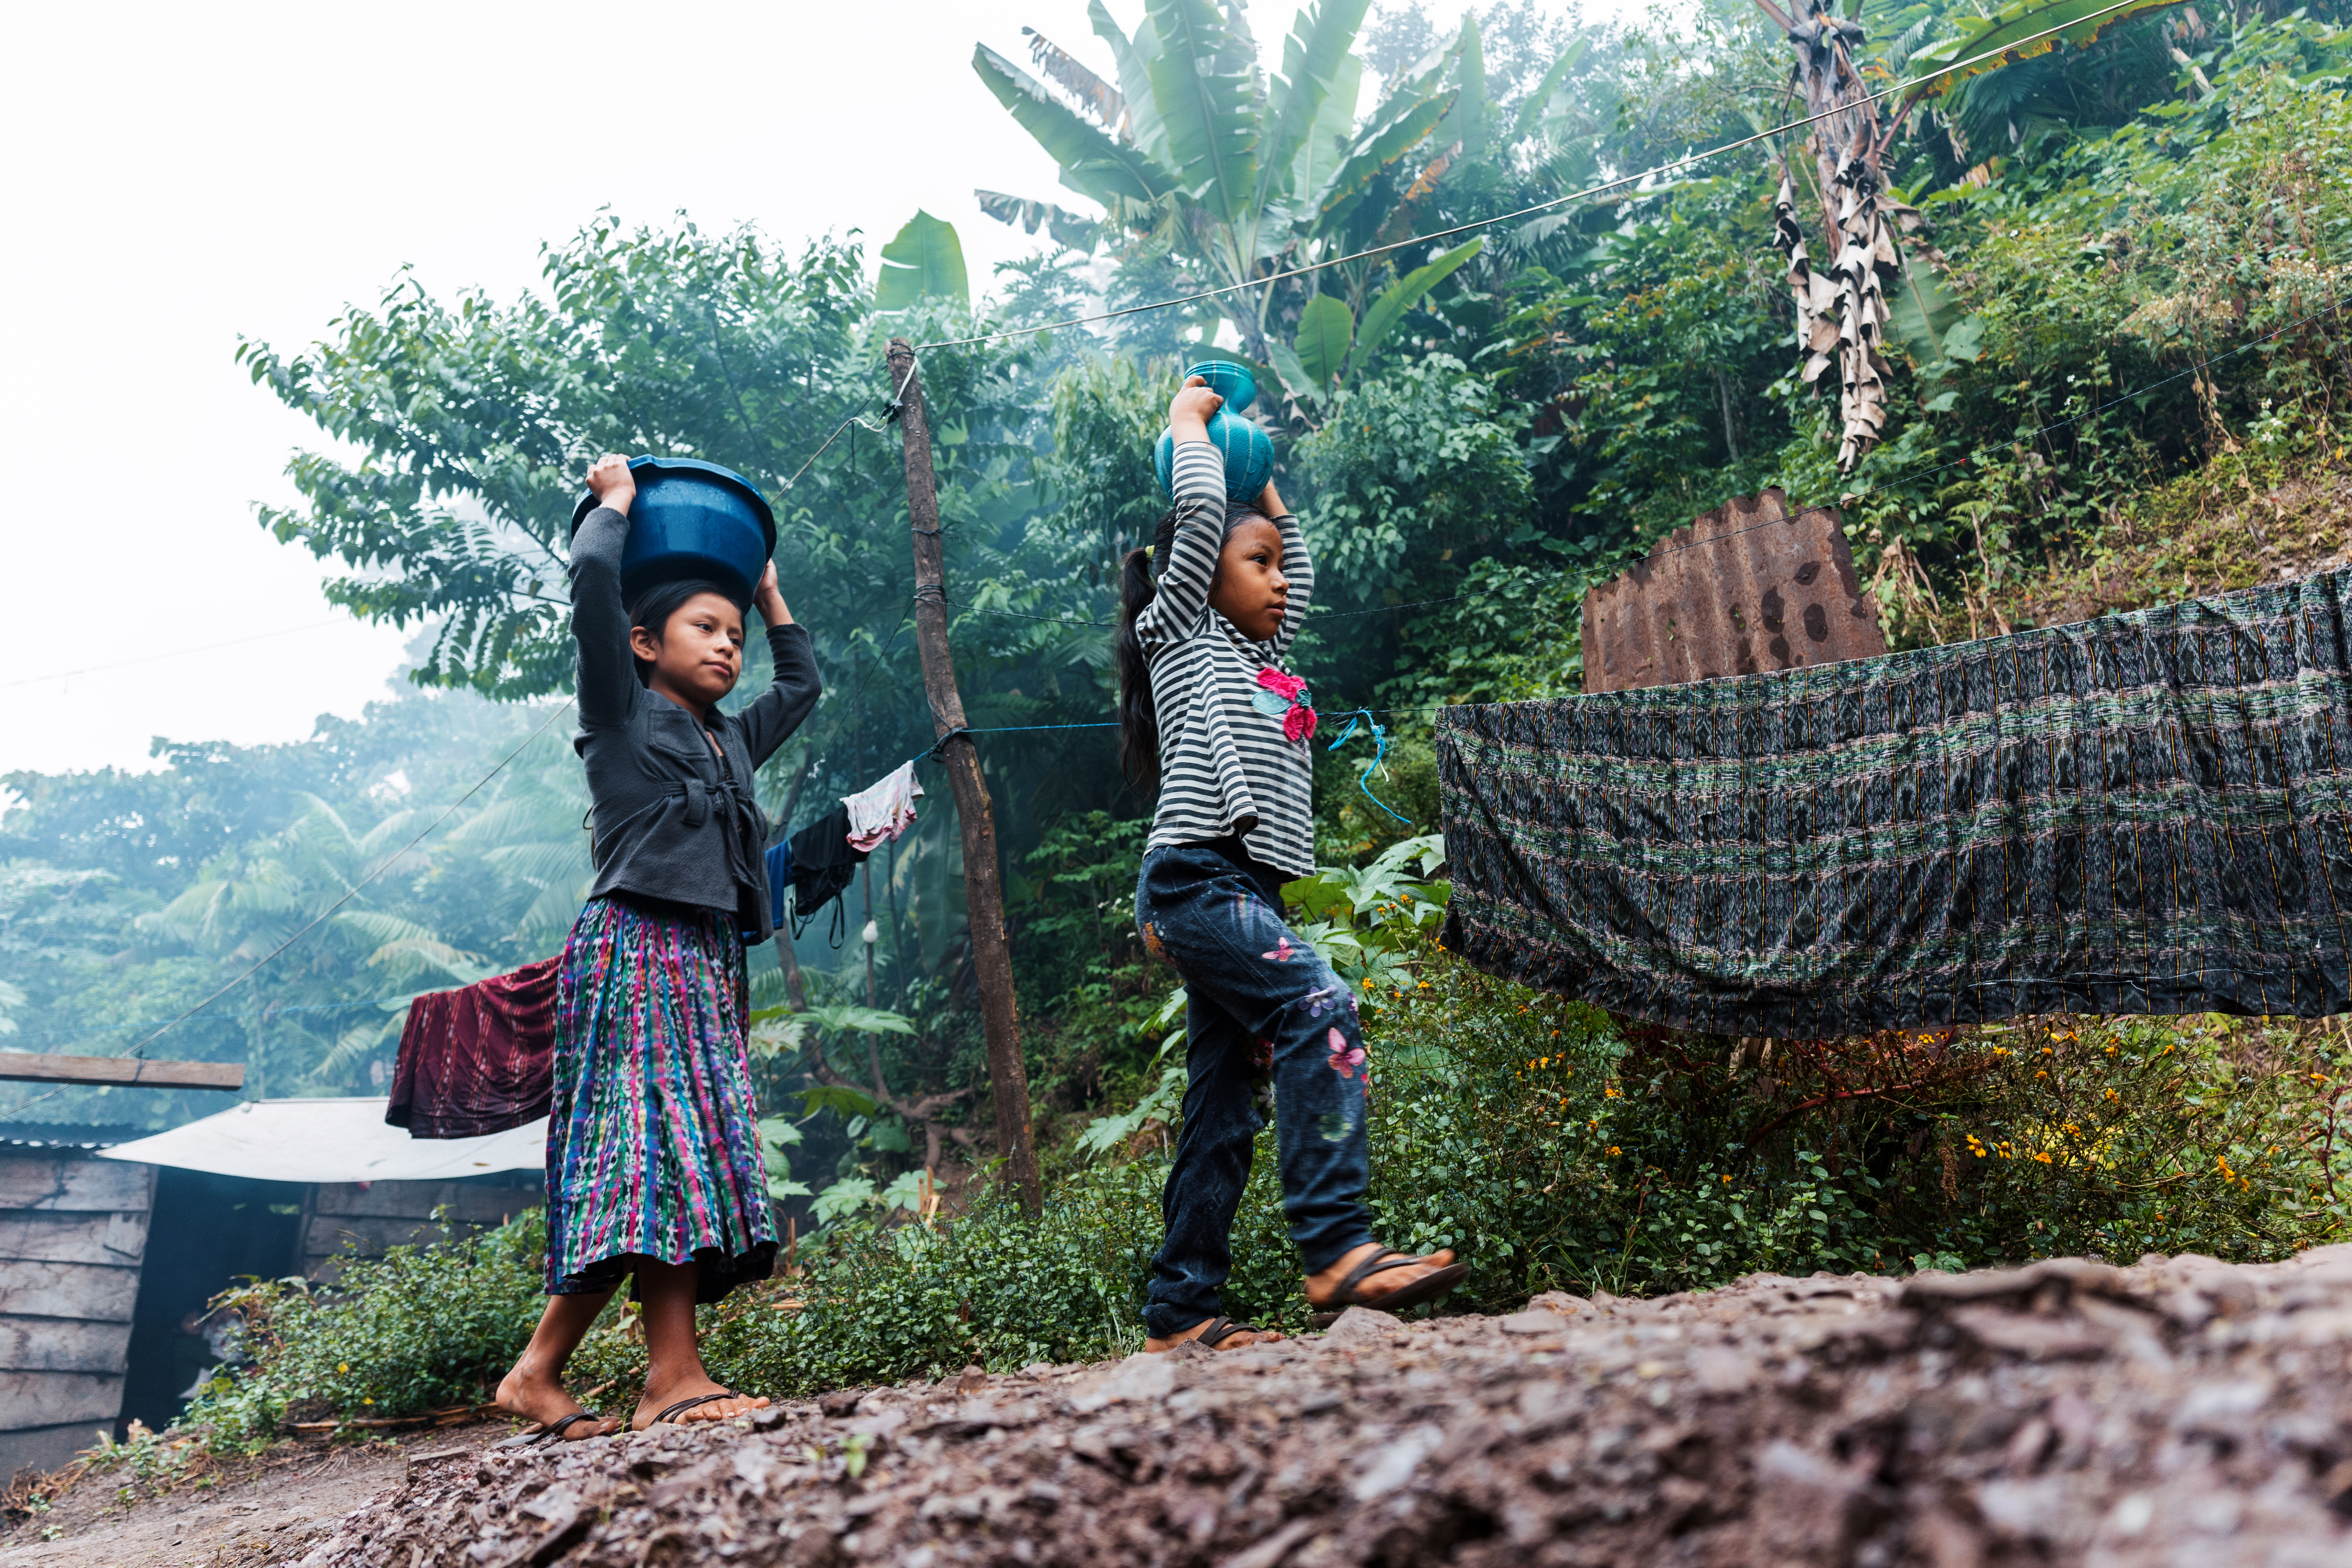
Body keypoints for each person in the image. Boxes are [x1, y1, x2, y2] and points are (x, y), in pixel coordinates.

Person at [1119, 377, 1466, 1352]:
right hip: (1195, 879)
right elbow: (1197, 520)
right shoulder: (1181, 632)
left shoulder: (1269, 660)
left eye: (1277, 565)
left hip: (1247, 889)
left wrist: (1264, 487)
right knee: (1319, 1003)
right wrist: (1190, 428)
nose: (1278, 580)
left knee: (1223, 1110)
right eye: (1255, 564)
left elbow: (1296, 567)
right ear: (1194, 573)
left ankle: (1181, 1314)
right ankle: (1336, 1243)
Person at [495, 452, 820, 1439]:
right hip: (636, 947)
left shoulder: (729, 738)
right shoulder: (620, 715)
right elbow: (595, 583)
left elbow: (801, 680)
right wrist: (616, 505)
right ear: (643, 642)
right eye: (704, 628)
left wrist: (764, 591)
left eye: (732, 636)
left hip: (707, 957)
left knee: (666, 1156)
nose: (728, 648)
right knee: (654, 1152)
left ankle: (538, 1373)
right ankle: (671, 1373)